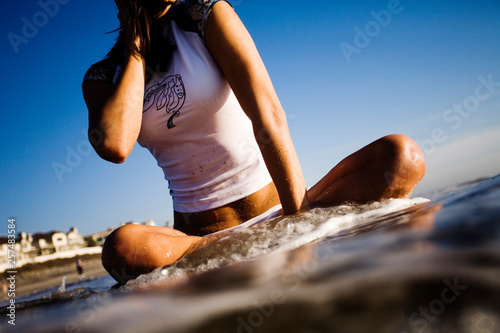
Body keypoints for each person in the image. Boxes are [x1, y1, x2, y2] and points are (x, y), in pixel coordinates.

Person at [82, 0, 426, 283]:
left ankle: (256, 243)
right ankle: (229, 248)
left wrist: (299, 222)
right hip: (198, 242)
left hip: (282, 211)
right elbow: (115, 144)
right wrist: (135, 45)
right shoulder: (102, 76)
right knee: (121, 249)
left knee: (402, 156)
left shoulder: (206, 16)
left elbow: (268, 114)